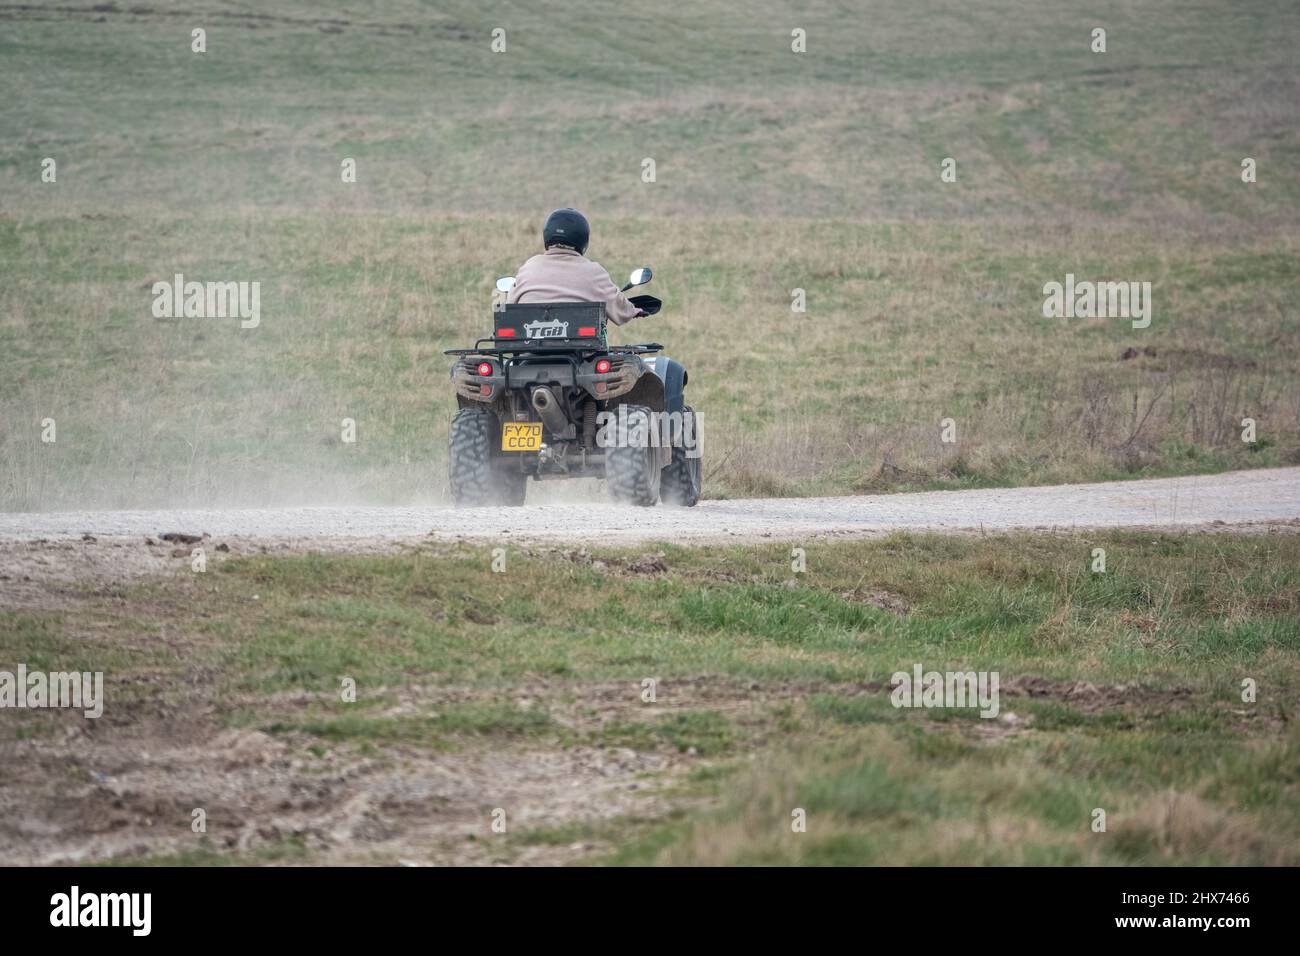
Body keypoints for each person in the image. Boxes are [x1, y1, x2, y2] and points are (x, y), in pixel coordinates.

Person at [505, 208, 642, 324]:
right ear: (583, 238)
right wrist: (635, 310)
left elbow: (509, 307)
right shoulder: (593, 271)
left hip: (530, 351)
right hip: (581, 351)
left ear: (546, 235)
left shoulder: (529, 267)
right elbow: (619, 307)